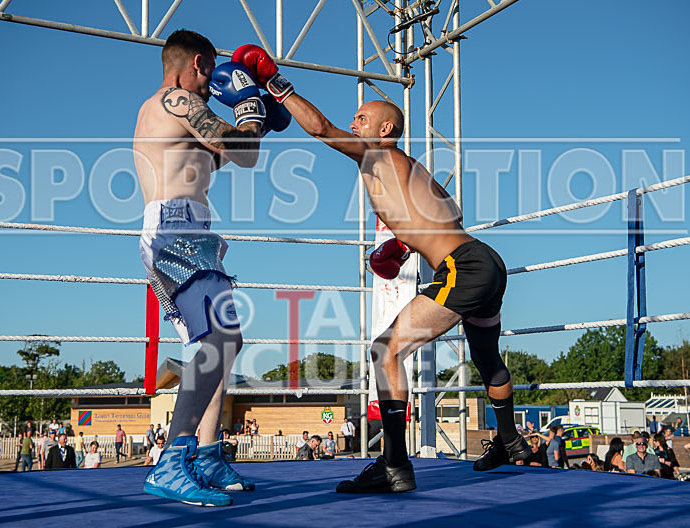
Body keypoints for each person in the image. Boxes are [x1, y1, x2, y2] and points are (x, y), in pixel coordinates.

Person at [230, 43, 530, 493]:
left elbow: (320, 129)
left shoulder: (377, 154)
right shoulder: (410, 168)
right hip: (485, 260)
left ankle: (393, 466)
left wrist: (275, 83)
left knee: (384, 351)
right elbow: (449, 213)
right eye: (355, 120)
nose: (354, 124)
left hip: (463, 266)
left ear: (386, 128)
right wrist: (405, 245)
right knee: (488, 359)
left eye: (363, 118)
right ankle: (510, 441)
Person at [136, 30, 287, 506]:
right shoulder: (175, 99)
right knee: (220, 340)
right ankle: (171, 462)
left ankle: (204, 455)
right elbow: (236, 146)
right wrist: (249, 108)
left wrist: (257, 118)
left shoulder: (176, 118)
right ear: (199, 63)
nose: (212, 88)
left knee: (221, 344)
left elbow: (232, 157)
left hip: (192, 233)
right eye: (211, 75)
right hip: (174, 232)